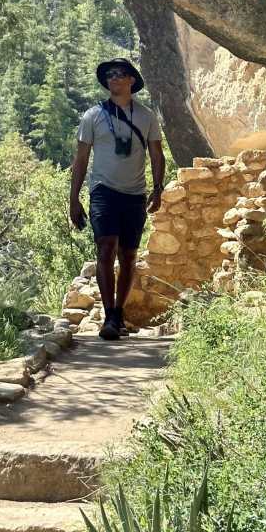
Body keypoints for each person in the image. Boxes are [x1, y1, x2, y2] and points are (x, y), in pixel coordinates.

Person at [70, 58, 165, 340]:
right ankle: (110, 314)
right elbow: (81, 158)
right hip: (103, 190)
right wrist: (74, 199)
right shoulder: (93, 116)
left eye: (120, 74)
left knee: (128, 255)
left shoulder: (146, 116)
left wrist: (157, 188)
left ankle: (118, 313)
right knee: (105, 247)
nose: (114, 79)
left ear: (131, 80)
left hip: (134, 193)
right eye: (110, 75)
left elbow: (156, 154)